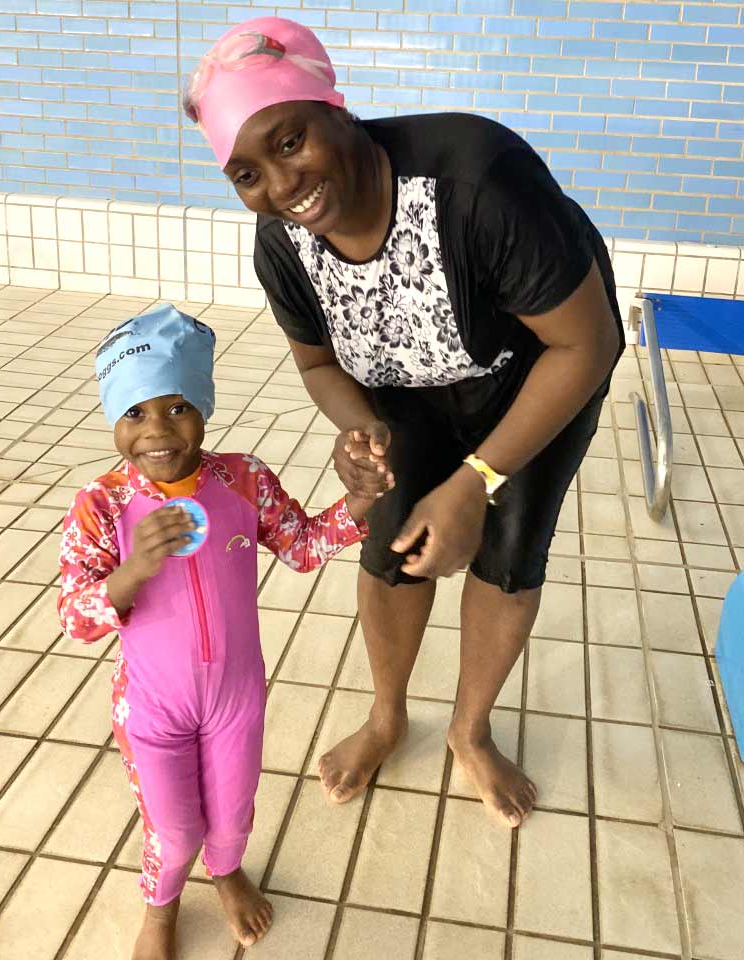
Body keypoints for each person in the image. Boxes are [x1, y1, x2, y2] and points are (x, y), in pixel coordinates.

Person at [184, 18, 624, 829]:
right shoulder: (282, 243)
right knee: (391, 538)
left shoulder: (478, 181)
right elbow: (320, 366)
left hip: (538, 365)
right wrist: (362, 431)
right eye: (247, 174)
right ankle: (388, 718)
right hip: (406, 381)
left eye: (290, 142)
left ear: (334, 109)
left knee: (509, 547)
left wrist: (477, 479)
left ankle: (470, 730)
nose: (281, 185)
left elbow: (585, 344)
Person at [57, 304, 371, 958]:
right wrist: (132, 571)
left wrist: (362, 501)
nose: (157, 430)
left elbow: (303, 546)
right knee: (172, 830)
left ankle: (226, 872)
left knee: (232, 813)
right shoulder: (102, 506)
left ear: (204, 404)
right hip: (151, 706)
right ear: (113, 419)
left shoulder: (242, 478)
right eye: (135, 413)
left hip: (235, 695)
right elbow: (75, 618)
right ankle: (162, 907)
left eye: (178, 406)